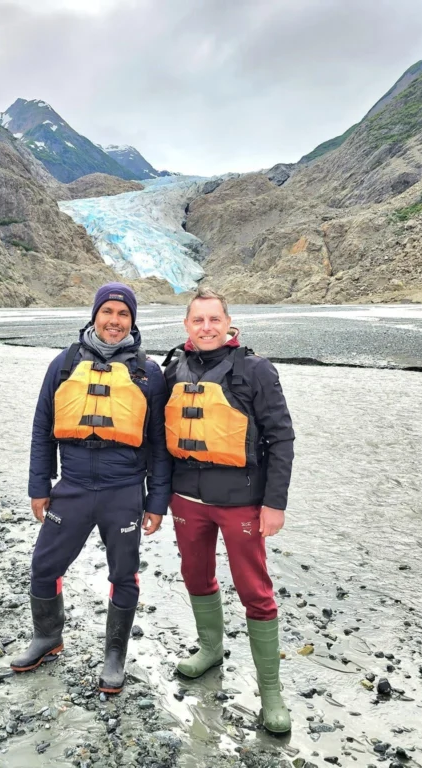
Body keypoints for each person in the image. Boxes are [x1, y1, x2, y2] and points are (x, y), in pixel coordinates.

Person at [11, 282, 172, 694]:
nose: (114, 322)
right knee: (45, 567)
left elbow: (158, 443)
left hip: (123, 492)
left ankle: (115, 654)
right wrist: (38, 485)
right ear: (95, 315)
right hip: (74, 486)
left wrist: (156, 501)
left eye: (123, 314)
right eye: (108, 312)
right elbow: (42, 429)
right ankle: (48, 637)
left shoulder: (148, 372)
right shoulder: (63, 364)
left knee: (124, 575)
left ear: (132, 321)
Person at [162, 287, 295, 733]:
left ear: (228, 322)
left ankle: (271, 692)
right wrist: (156, 496)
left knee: (254, 589)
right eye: (198, 321)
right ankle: (210, 648)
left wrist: (274, 503)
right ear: (186, 325)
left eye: (214, 320)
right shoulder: (172, 368)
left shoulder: (255, 371)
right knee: (195, 575)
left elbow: (282, 438)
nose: (206, 328)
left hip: (241, 501)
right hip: (187, 499)